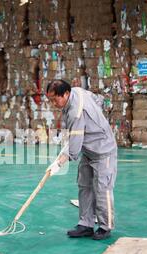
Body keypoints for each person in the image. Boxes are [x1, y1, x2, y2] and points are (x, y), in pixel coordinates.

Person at [46, 80, 118, 240]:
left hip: (103, 149)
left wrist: (59, 162)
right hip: (88, 149)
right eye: (50, 100)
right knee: (84, 185)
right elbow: (98, 100)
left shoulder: (75, 112)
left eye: (54, 99)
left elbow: (74, 146)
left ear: (65, 94)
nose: (53, 103)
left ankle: (105, 226)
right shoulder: (77, 91)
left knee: (102, 188)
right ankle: (86, 224)